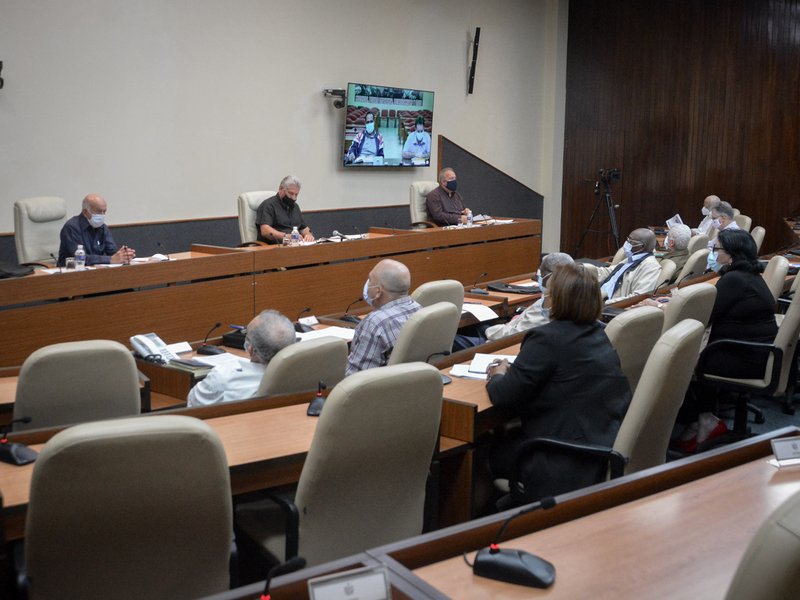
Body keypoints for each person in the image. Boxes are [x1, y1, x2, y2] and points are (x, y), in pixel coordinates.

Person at [484, 263, 631, 500]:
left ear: (557, 300)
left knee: (479, 451)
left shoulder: (546, 338)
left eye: (548, 294)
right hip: (599, 442)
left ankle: (482, 530)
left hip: (561, 457)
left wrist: (499, 373)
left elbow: (503, 396)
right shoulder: (598, 332)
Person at [672, 229, 778, 453]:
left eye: (716, 249)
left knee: (678, 364)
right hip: (757, 354)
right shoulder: (750, 275)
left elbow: (705, 316)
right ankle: (699, 421)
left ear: (732, 254)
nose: (714, 254)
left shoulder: (734, 279)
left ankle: (703, 420)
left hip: (741, 356)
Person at [453, 253, 574, 350]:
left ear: (549, 278)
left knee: (452, 340)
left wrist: (488, 330)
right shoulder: (567, 297)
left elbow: (514, 335)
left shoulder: (550, 304)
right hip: (507, 330)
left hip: (498, 343)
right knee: (475, 326)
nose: (538, 276)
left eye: (541, 272)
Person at [187, 309, 296, 407]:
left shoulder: (223, 376)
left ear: (251, 349)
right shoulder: (298, 374)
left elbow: (193, 403)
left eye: (245, 333)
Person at [346, 259, 421, 375]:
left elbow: (358, 377)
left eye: (370, 280)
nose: (367, 284)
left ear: (377, 292)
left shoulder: (375, 323)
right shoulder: (419, 309)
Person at [58, 194, 135, 266]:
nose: (102, 215)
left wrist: (124, 255)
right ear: (85, 212)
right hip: (70, 273)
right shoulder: (71, 227)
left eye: (104, 211)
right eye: (98, 211)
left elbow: (112, 252)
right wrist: (110, 259)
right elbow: (80, 258)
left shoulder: (103, 227)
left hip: (95, 271)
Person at [595, 228, 662, 302]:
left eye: (631, 241)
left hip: (608, 303)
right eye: (627, 239)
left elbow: (638, 297)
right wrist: (584, 269)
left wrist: (606, 303)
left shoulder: (650, 267)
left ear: (642, 246)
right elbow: (610, 272)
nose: (627, 243)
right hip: (597, 295)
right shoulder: (632, 258)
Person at [255, 175, 314, 244]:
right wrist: (286, 236)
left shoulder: (295, 207)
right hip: (275, 247)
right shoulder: (268, 205)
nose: (294, 198)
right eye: (291, 193)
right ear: (281, 189)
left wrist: (308, 235)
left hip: (295, 245)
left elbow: (303, 228)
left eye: (296, 194)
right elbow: (265, 231)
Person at [706, 200, 740, 270]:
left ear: (723, 218)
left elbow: (717, 260)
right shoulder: (725, 231)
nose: (712, 221)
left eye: (714, 218)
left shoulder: (730, 235)